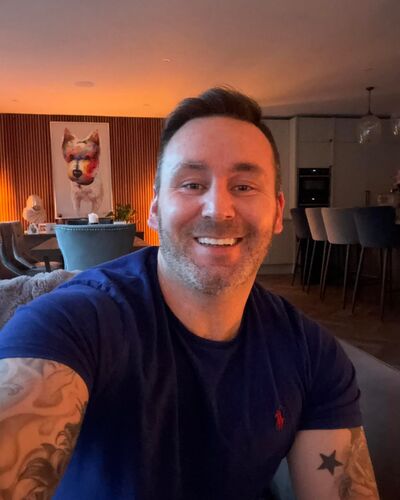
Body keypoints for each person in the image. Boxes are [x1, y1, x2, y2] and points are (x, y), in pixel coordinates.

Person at [0, 87, 379, 500]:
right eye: (192, 183)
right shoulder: (71, 324)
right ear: (155, 209)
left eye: (245, 186)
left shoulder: (312, 353)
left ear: (276, 211)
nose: (218, 209)